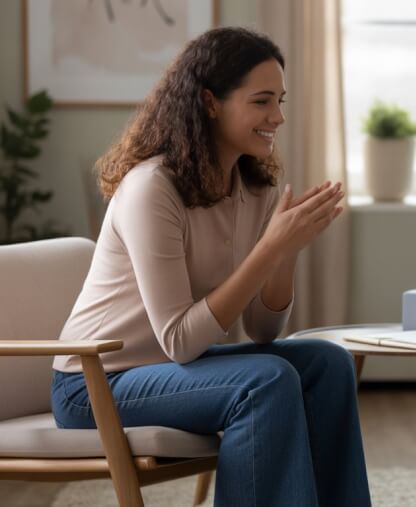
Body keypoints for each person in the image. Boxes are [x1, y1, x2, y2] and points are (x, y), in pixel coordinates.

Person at [51, 27, 370, 507]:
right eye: (262, 101)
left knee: (328, 363)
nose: (278, 117)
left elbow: (262, 331)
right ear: (210, 102)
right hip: (95, 383)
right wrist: (268, 250)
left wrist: (285, 253)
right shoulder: (151, 188)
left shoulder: (254, 187)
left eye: (280, 101)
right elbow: (180, 340)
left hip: (169, 371)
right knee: (265, 381)